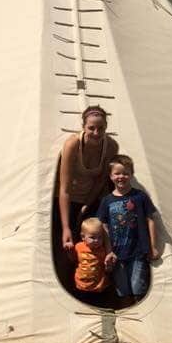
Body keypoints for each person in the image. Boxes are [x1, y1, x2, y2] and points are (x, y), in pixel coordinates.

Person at [58, 105, 118, 256]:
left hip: (93, 197)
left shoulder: (110, 146)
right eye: (91, 128)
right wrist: (66, 227)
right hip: (69, 198)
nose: (96, 133)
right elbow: (64, 189)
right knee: (68, 245)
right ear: (83, 127)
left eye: (101, 128)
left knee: (94, 245)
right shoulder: (72, 144)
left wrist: (86, 205)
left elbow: (101, 179)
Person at [97, 156, 159, 304]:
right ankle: (127, 318)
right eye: (117, 173)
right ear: (111, 176)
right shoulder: (107, 201)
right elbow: (103, 226)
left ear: (131, 174)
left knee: (138, 287)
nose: (121, 177)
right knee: (122, 289)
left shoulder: (139, 197)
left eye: (125, 173)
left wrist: (153, 246)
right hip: (117, 253)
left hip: (138, 251)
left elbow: (150, 220)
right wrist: (109, 250)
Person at [73, 217, 108, 295]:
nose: (97, 240)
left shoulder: (102, 250)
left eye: (100, 237)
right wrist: (69, 251)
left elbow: (105, 265)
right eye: (92, 237)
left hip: (98, 285)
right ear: (83, 237)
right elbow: (73, 259)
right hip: (81, 283)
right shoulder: (78, 247)